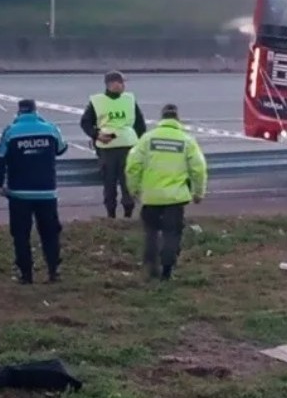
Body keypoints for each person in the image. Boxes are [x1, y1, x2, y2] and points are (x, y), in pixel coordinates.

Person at [125, 104, 207, 281]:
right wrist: (198, 193)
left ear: (161, 118)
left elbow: (133, 166)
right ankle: (167, 270)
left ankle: (150, 264)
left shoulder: (147, 139)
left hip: (151, 197)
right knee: (172, 233)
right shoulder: (186, 140)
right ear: (178, 118)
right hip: (175, 198)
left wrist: (134, 189)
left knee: (151, 231)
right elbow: (199, 169)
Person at [0, 99, 68, 284]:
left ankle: (26, 274)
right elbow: (61, 148)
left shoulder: (11, 131)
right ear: (35, 110)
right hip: (46, 191)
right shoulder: (50, 128)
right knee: (50, 233)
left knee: (21, 235)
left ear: (19, 112)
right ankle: (53, 270)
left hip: (19, 192)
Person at [80, 71, 147, 219]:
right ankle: (112, 215)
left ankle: (126, 214)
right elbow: (85, 122)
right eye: (121, 82)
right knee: (111, 184)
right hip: (108, 149)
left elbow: (140, 125)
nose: (124, 86)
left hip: (126, 148)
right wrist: (96, 134)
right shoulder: (97, 101)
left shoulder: (129, 99)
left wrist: (140, 146)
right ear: (111, 84)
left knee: (125, 183)